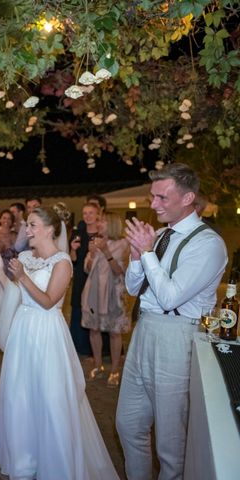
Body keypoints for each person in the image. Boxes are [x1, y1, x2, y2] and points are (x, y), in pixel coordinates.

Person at [0, 206, 118, 480]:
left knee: (50, 399)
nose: (26, 230)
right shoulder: (26, 256)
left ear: (50, 229)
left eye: (32, 225)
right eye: (26, 225)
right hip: (23, 332)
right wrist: (1, 273)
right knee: (21, 397)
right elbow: (17, 294)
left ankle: (56, 465)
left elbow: (48, 301)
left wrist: (21, 277)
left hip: (47, 334)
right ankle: (25, 461)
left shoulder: (62, 262)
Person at [116, 163, 227, 480]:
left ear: (189, 197)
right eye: (152, 196)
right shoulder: (161, 235)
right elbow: (133, 288)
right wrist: (138, 257)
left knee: (170, 441)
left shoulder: (208, 244)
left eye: (162, 198)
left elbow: (170, 297)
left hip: (177, 338)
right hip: (145, 330)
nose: (153, 205)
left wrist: (147, 253)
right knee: (128, 423)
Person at [81, 212, 129, 387]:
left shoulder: (123, 244)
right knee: (94, 329)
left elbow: (119, 271)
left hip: (113, 293)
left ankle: (115, 369)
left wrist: (106, 252)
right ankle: (98, 365)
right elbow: (87, 269)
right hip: (93, 292)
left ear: (113, 224)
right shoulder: (94, 242)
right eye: (99, 220)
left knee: (114, 332)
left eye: (102, 221)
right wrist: (92, 254)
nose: (99, 223)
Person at [69, 202, 101, 355]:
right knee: (78, 307)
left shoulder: (103, 235)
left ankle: (100, 349)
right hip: (81, 277)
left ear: (97, 215)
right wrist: (72, 250)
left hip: (99, 278)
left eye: (91, 213)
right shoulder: (78, 233)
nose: (87, 216)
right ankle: (80, 346)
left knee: (97, 309)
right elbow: (73, 260)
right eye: (85, 213)